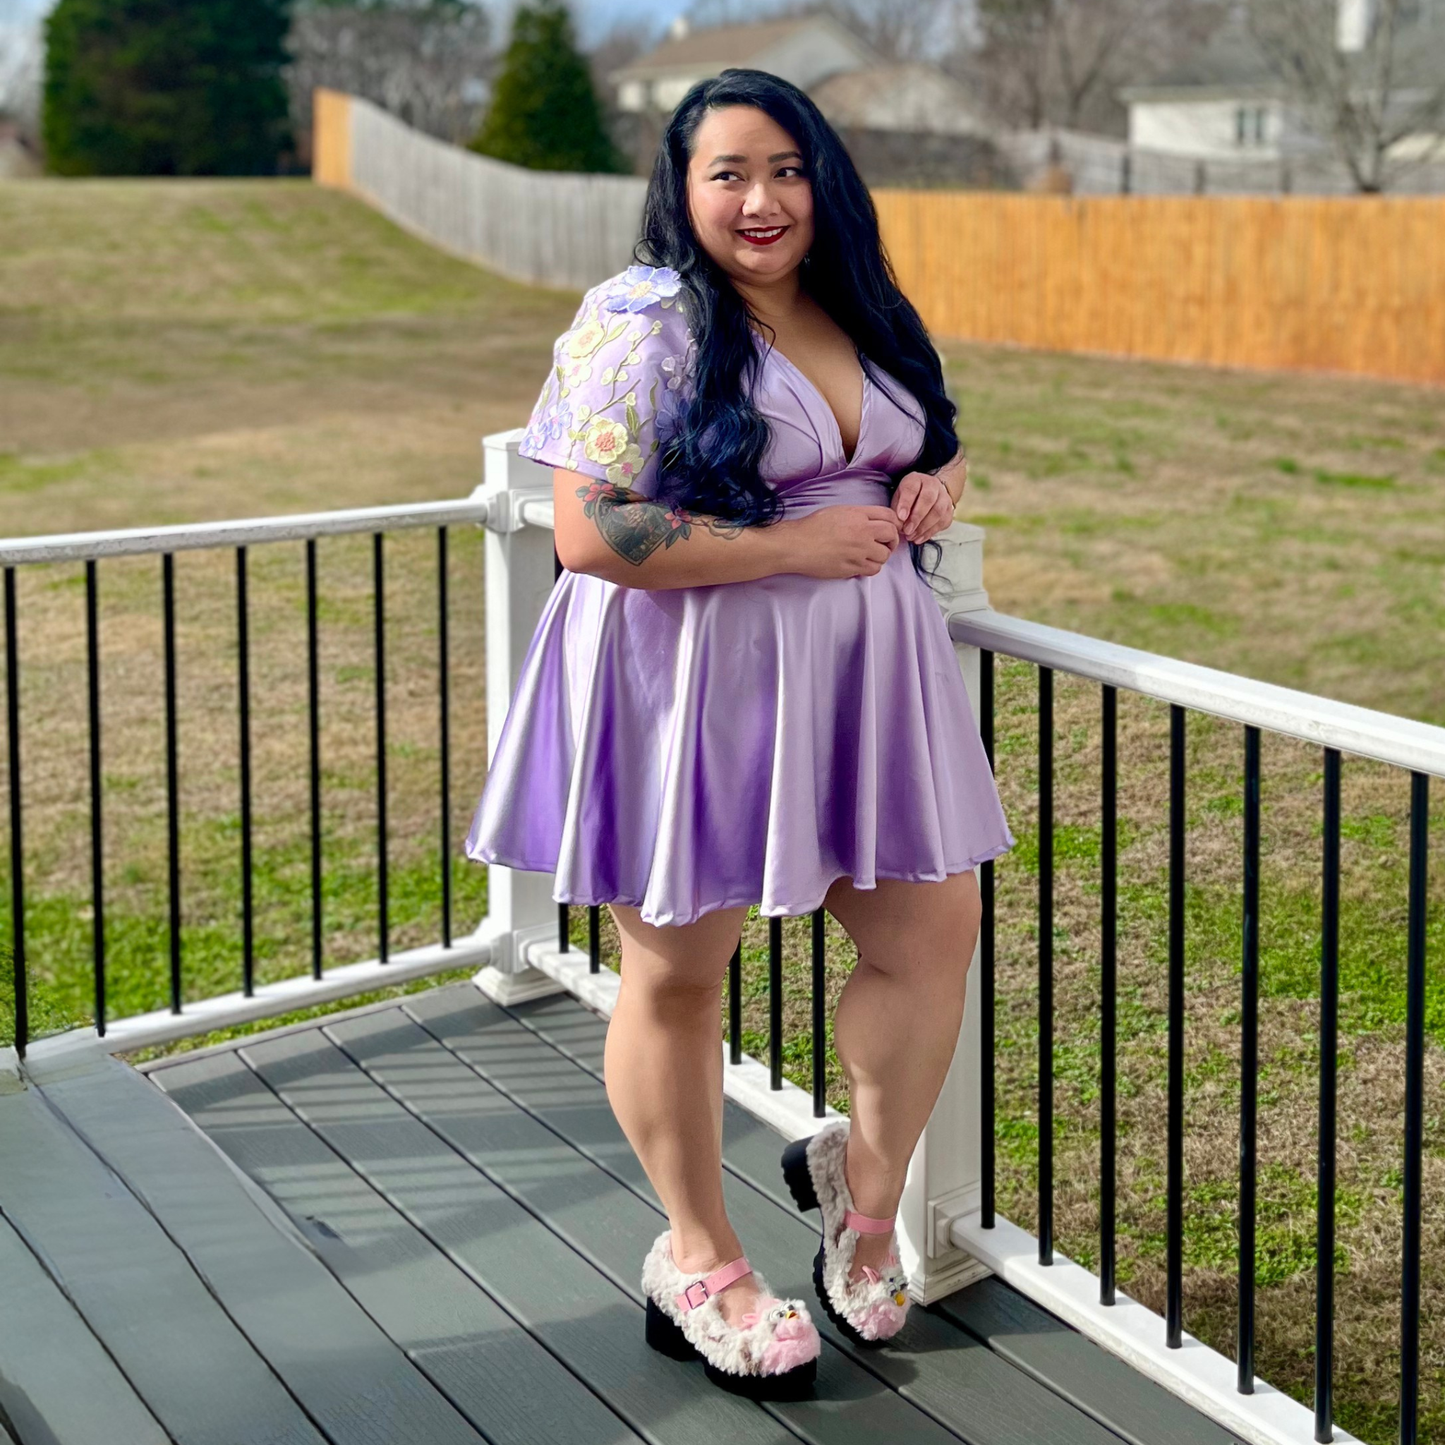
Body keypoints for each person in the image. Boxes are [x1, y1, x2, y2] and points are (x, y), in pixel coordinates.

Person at [465, 67, 1014, 1400]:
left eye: (785, 167)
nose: (761, 199)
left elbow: (908, 442)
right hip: (690, 685)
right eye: (729, 174)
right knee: (679, 976)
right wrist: (788, 541)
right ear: (683, 187)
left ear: (821, 176)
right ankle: (697, 1258)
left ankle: (862, 1203)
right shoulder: (641, 319)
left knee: (932, 933)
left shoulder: (860, 306)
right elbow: (592, 531)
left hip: (861, 690)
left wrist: (930, 482)